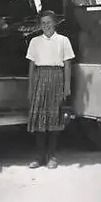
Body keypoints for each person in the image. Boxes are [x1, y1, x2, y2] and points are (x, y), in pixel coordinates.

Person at [26, 10, 75, 169]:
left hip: (56, 78)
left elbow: (67, 64)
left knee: (54, 120)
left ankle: (52, 156)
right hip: (40, 78)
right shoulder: (35, 41)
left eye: (48, 22)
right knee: (40, 120)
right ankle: (40, 157)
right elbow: (32, 66)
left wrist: (66, 86)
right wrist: (31, 87)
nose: (46, 25)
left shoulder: (63, 40)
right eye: (43, 23)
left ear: (55, 23)